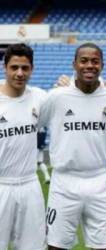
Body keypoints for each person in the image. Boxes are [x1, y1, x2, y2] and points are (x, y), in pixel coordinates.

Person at [40, 43, 106, 250]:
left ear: (102, 65)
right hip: (64, 181)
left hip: (99, 182)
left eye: (95, 61)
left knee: (103, 247)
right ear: (74, 65)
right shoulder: (56, 96)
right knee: (56, 245)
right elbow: (35, 124)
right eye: (84, 61)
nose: (89, 65)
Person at [0, 43, 46, 249]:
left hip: (30, 184)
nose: (20, 73)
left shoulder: (40, 98)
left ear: (32, 69)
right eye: (14, 67)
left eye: (25, 68)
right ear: (5, 67)